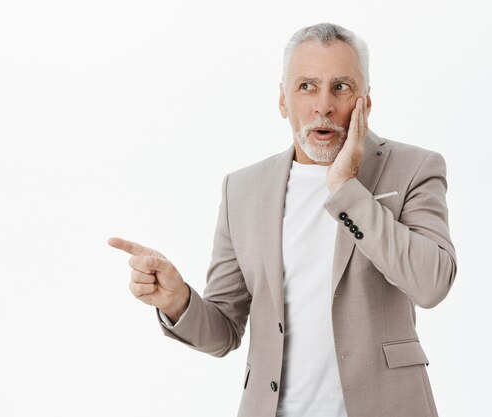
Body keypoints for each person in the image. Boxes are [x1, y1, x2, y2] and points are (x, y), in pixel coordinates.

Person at [108, 22, 457, 417]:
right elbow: (224, 330)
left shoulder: (414, 168)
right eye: (306, 86)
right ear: (282, 101)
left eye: (340, 87)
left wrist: (345, 187)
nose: (323, 104)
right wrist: (178, 302)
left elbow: (431, 285)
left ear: (366, 101)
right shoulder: (242, 189)